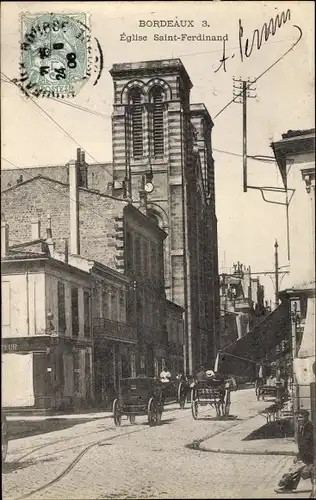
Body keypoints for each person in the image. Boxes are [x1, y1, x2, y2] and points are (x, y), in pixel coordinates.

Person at [275, 409, 314, 494]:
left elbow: (306, 445)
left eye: (301, 417)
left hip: (311, 457)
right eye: (297, 418)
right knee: (298, 472)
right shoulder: (302, 427)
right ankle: (287, 487)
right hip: (306, 456)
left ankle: (287, 486)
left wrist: (299, 456)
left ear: (306, 417)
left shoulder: (310, 428)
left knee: (297, 471)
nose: (299, 419)